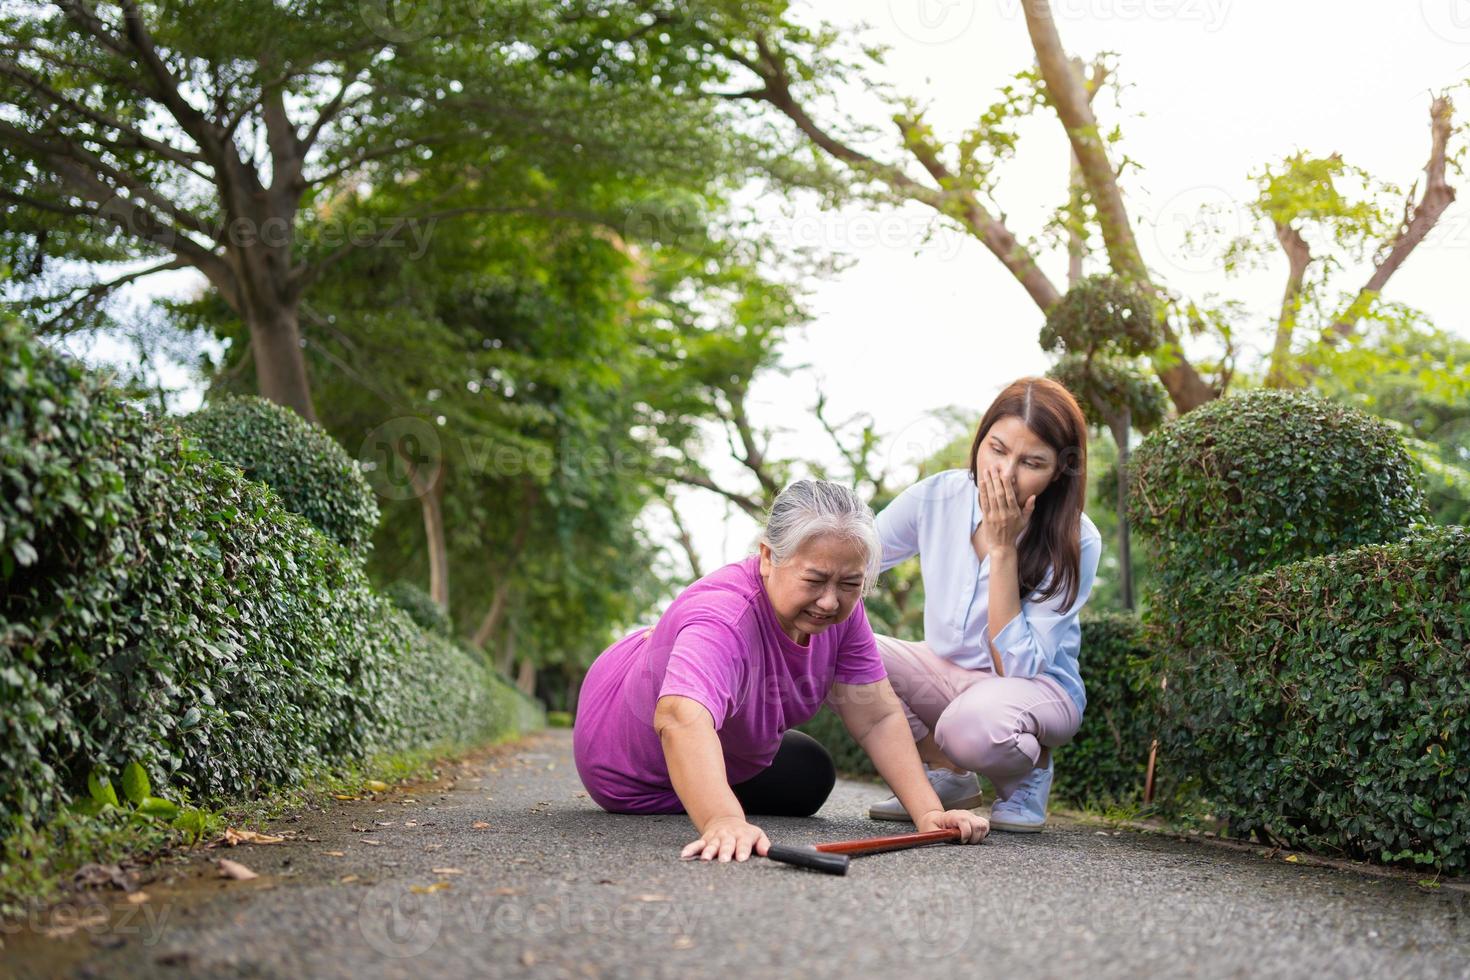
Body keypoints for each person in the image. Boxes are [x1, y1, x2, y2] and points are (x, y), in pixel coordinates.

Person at [573, 479, 989, 863]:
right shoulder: (724, 618)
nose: (830, 602)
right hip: (625, 761)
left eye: (849, 584)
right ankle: (705, 793)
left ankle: (706, 784)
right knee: (729, 782)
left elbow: (877, 716)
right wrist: (722, 820)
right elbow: (680, 718)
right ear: (769, 557)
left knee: (809, 774)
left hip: (723, 735)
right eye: (815, 580)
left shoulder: (845, 614)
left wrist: (929, 813)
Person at [866, 377, 1102, 832]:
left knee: (969, 726)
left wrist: (1002, 550)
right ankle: (946, 775)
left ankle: (1031, 772)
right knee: (837, 647)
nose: (1006, 474)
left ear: (1059, 471)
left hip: (1034, 689)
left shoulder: (1076, 538)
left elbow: (1017, 666)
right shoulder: (937, 496)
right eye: (997, 449)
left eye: (1032, 462)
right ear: (980, 439)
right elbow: (856, 556)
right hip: (946, 672)